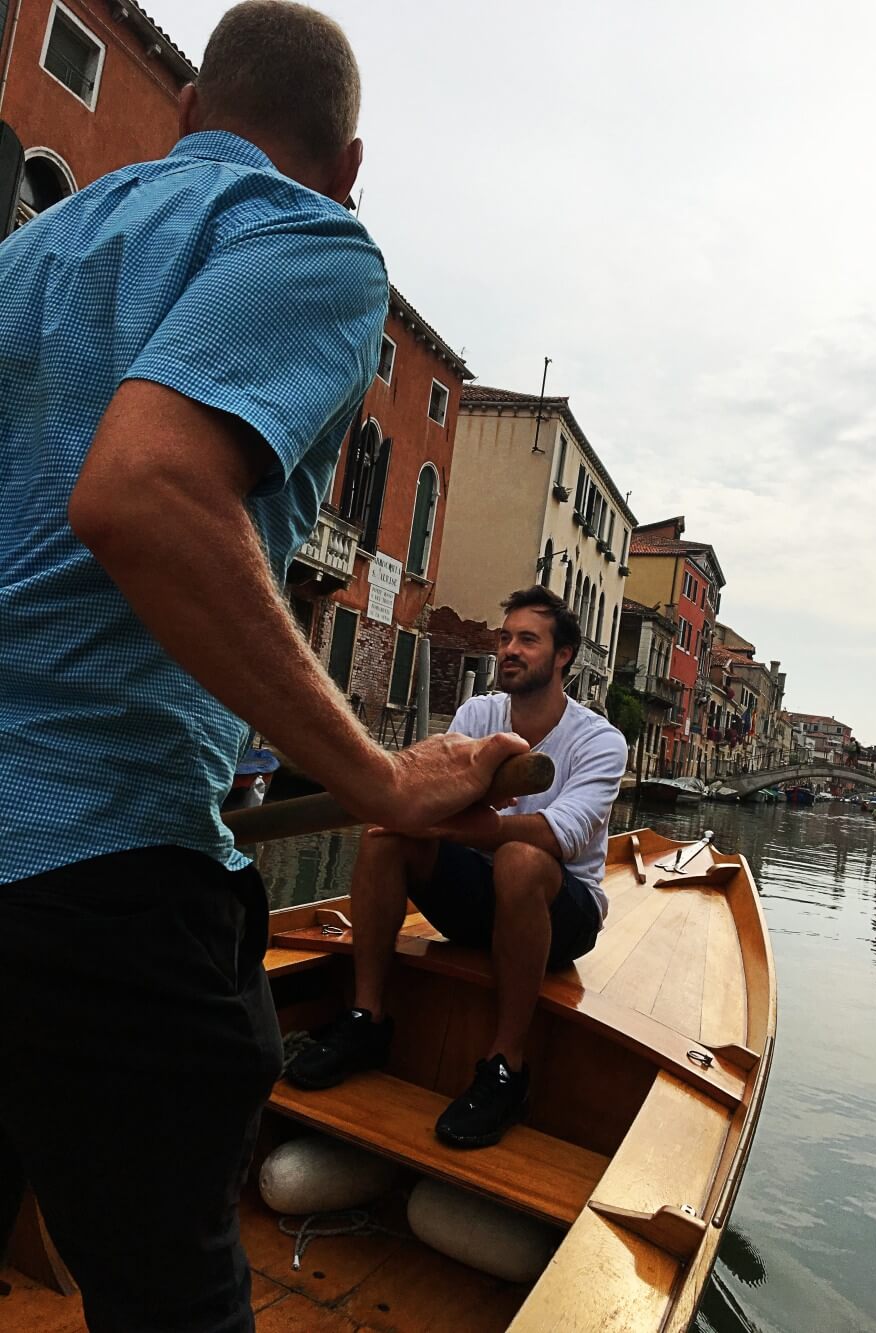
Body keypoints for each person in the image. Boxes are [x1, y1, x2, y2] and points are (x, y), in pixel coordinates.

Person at [0, 5, 525, 1330]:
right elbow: (148, 493)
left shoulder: (29, 256)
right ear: (348, 164)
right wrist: (377, 779)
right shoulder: (304, 237)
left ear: (184, 115)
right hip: (101, 879)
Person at [288, 586, 629, 1147]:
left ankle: (506, 1068)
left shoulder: (600, 741)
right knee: (384, 836)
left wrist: (450, 826)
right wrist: (419, 815)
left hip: (562, 912)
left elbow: (559, 834)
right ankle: (365, 1020)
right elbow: (435, 797)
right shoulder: (479, 713)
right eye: (505, 638)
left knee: (523, 857)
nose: (510, 649)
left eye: (528, 639)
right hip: (479, 897)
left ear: (563, 655)